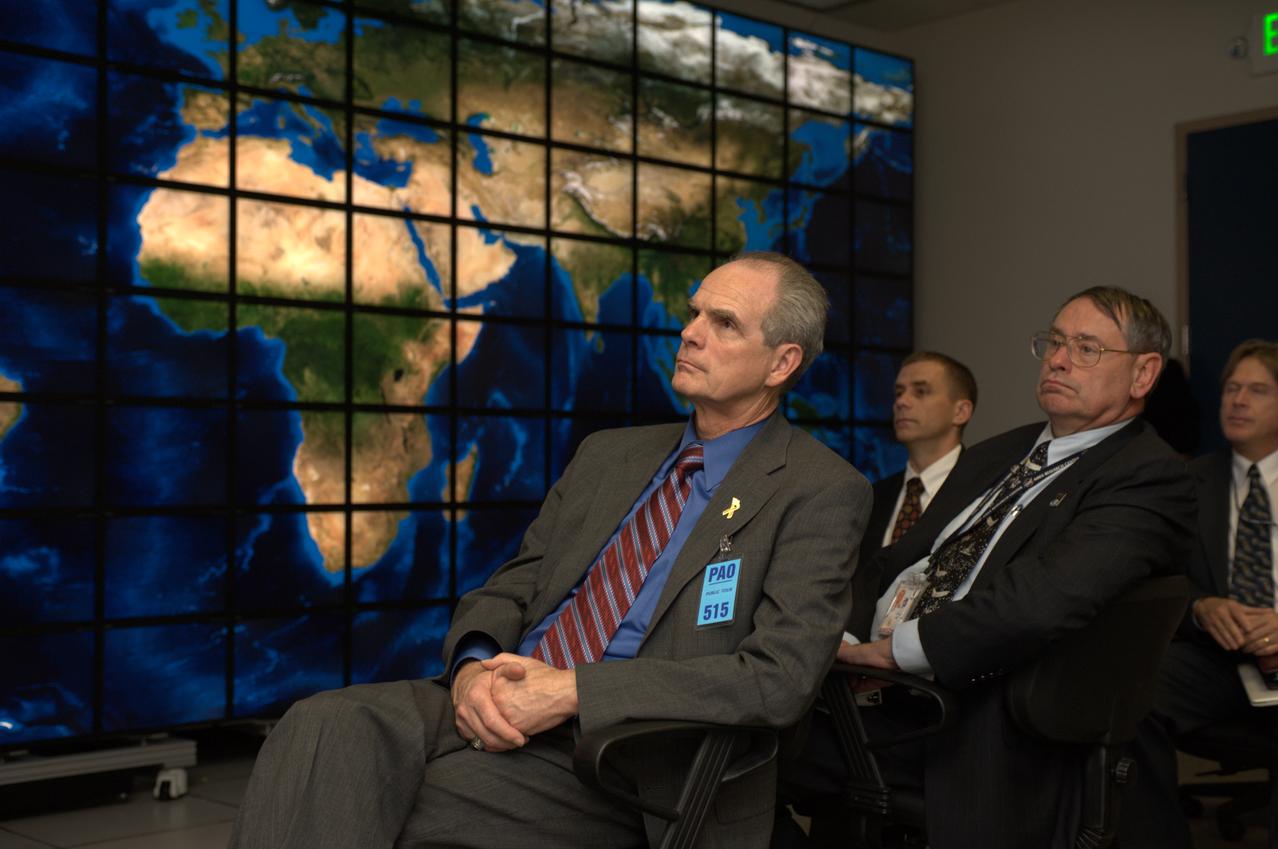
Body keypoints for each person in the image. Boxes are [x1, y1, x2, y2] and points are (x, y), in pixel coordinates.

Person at [228, 252, 872, 849]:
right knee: (317, 726)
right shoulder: (609, 457)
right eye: (693, 313)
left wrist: (573, 692)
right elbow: (511, 587)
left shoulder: (819, 490)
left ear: (782, 363)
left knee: (383, 803)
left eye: (723, 322)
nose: (690, 333)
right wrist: (475, 668)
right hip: (500, 690)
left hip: (627, 751)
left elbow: (777, 678)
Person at [783, 286, 1197, 849]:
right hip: (865, 682)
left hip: (964, 716)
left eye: (1086, 348)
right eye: (1053, 342)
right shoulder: (999, 452)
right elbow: (892, 562)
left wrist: (892, 651)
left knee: (734, 748)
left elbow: (1042, 600)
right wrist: (846, 636)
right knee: (724, 729)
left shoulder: (1149, 476)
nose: (1057, 358)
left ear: (1144, 374)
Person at [1119, 339, 1278, 849]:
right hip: (1217, 658)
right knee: (1126, 687)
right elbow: (1153, 581)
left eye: (1257, 390)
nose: (1237, 400)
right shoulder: (1187, 482)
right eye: (1232, 388)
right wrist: (1200, 608)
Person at [858, 352, 976, 572]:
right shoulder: (872, 498)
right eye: (898, 393)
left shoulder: (984, 493)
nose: (902, 402)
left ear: (960, 412)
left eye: (921, 392)